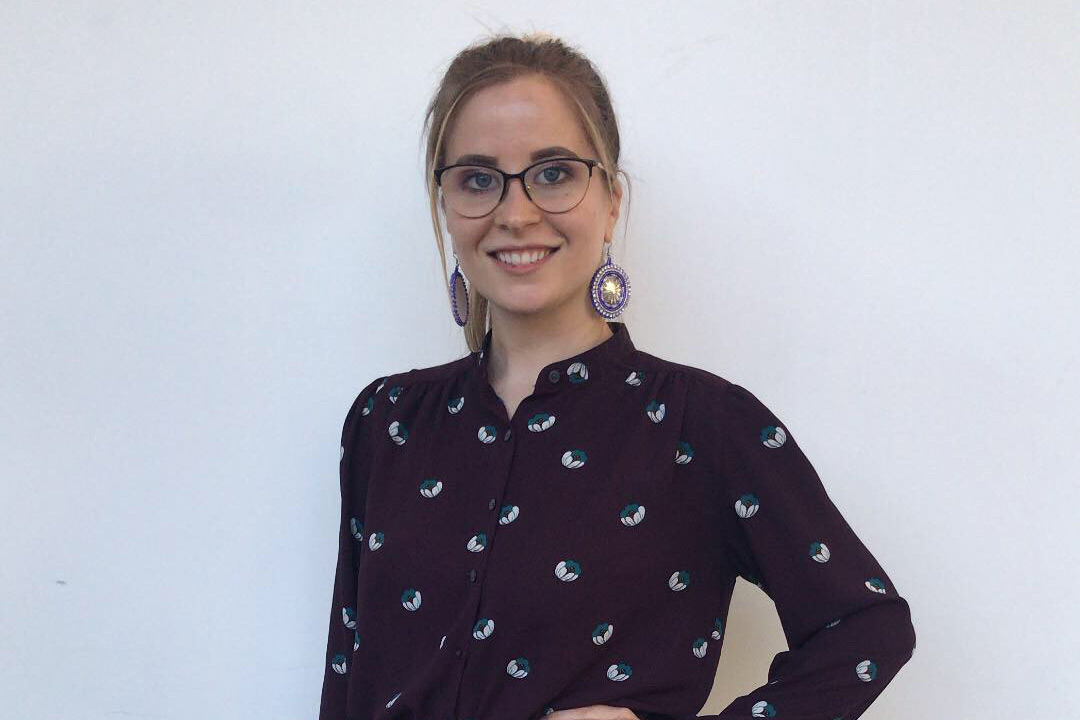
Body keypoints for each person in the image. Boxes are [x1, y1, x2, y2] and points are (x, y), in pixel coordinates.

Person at [319, 32, 915, 720]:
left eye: (553, 173)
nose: (515, 214)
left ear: (611, 200)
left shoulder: (703, 427)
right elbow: (348, 669)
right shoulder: (387, 420)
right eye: (478, 179)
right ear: (448, 206)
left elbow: (867, 626)